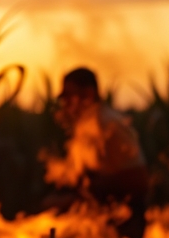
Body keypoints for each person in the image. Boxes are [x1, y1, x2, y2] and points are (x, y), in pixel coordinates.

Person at [49, 67, 150, 210]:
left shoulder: (109, 125)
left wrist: (97, 186)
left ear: (88, 94)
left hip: (122, 217)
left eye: (69, 96)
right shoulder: (85, 126)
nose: (65, 103)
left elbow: (139, 180)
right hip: (97, 214)